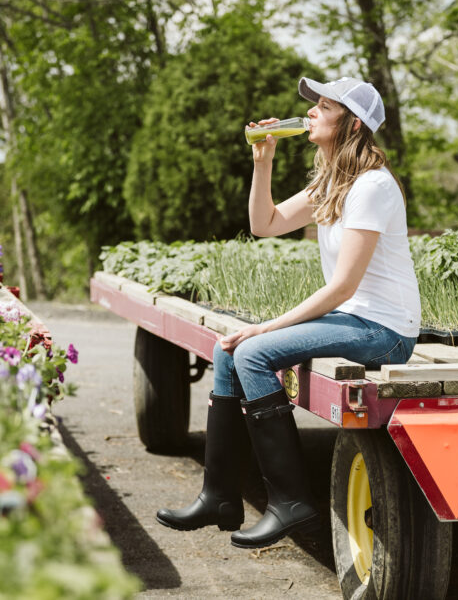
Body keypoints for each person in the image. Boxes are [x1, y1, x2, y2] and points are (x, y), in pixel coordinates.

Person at [156, 76, 421, 549]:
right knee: (226, 351)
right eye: (314, 105)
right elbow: (265, 224)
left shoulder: (373, 186)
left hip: (385, 330)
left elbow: (342, 287)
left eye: (324, 106)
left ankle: (291, 501)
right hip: (355, 321)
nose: (312, 112)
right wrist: (265, 162)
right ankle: (219, 495)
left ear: (353, 124)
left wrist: (265, 326)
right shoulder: (332, 183)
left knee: (253, 353)